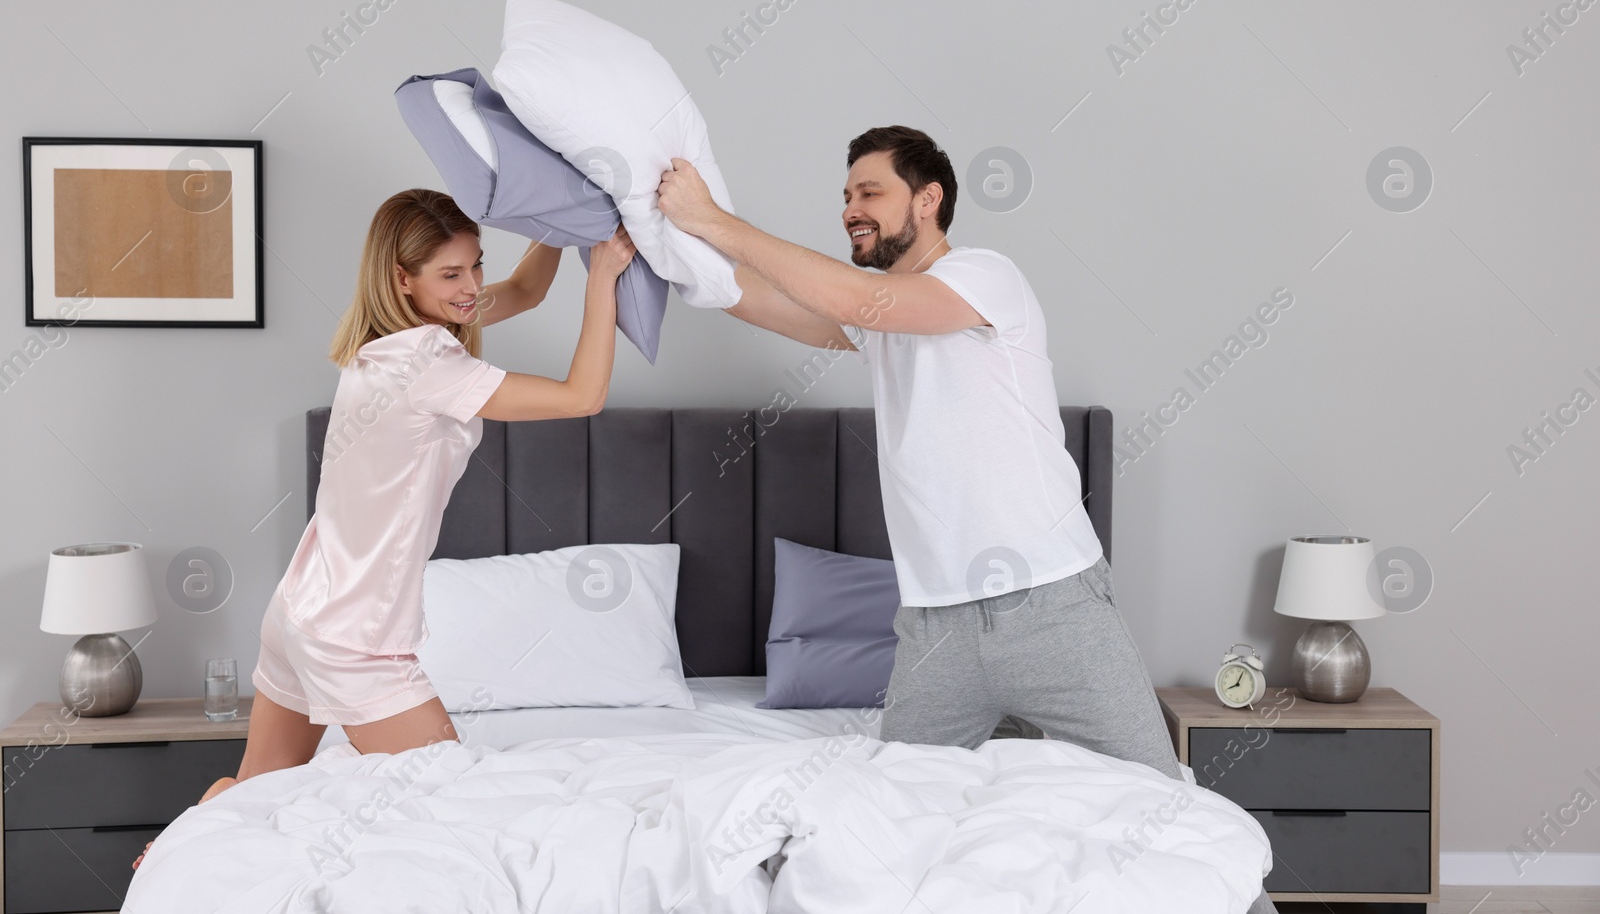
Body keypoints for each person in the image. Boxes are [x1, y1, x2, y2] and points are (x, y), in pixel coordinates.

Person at [657, 127, 1277, 913]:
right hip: (936, 636)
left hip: (1052, 609)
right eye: (845, 196)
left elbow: (853, 297)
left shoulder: (984, 277)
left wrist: (714, 219)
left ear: (929, 198)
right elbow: (767, 300)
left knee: (1166, 814)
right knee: (888, 826)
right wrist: (669, 245)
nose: (850, 209)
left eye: (869, 192)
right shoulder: (884, 321)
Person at [133, 188, 635, 871]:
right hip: (353, 638)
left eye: (474, 266)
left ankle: (199, 830)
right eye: (451, 274)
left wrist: (560, 220)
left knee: (258, 786)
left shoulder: (386, 340)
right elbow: (585, 396)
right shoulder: (429, 361)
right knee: (452, 797)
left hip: (299, 610)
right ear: (404, 278)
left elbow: (524, 289)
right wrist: (604, 275)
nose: (472, 287)